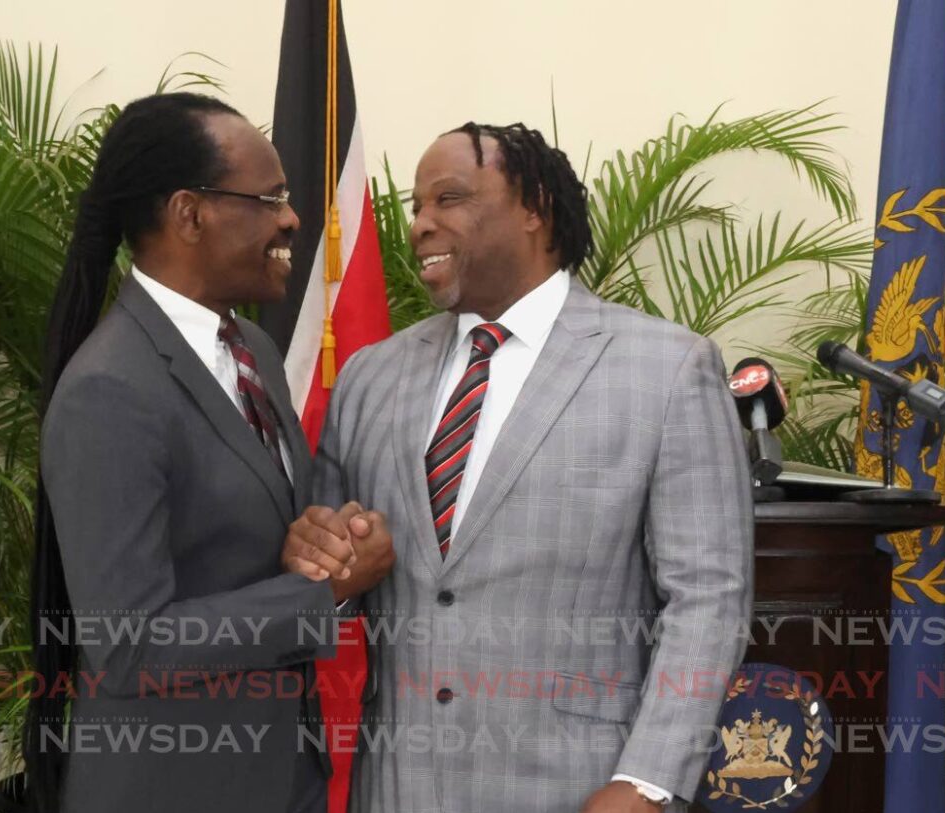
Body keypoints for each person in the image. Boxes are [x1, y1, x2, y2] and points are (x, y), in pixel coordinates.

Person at [282, 122, 754, 812]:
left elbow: (708, 600)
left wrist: (649, 780)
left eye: (449, 198)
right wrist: (326, 561)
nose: (420, 225)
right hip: (398, 789)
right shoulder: (370, 375)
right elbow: (332, 572)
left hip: (582, 789)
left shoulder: (666, 368)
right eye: (416, 208)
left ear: (535, 206)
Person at [24, 92, 392, 813]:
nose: (292, 219)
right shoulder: (110, 387)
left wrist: (333, 540)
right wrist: (327, 592)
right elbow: (132, 647)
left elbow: (262, 538)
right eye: (270, 199)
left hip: (282, 777)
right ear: (188, 213)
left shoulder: (251, 349)